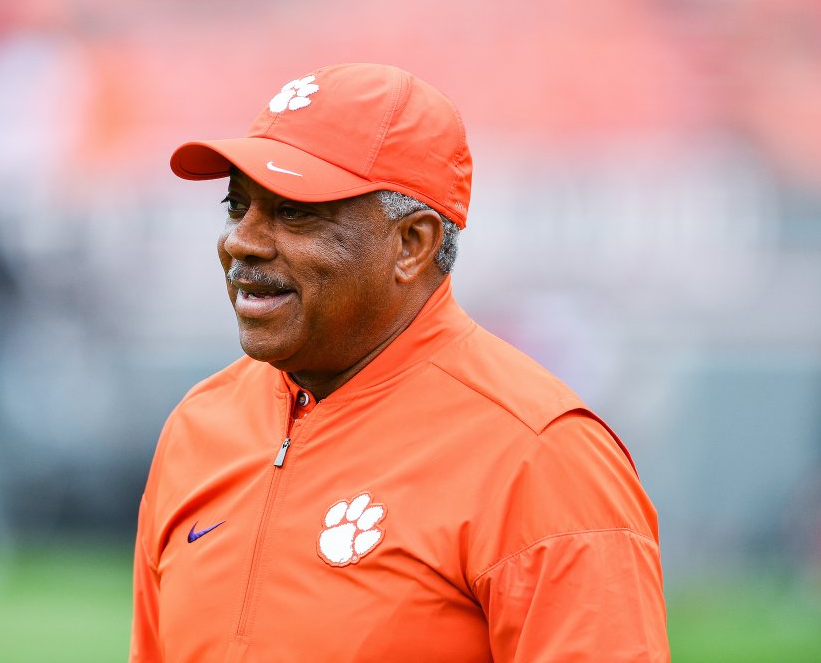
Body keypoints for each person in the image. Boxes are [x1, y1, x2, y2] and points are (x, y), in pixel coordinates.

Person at [130, 63, 668, 662]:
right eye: (237, 206)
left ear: (413, 244)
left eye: (294, 212)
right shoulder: (198, 426)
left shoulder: (540, 455)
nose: (242, 241)